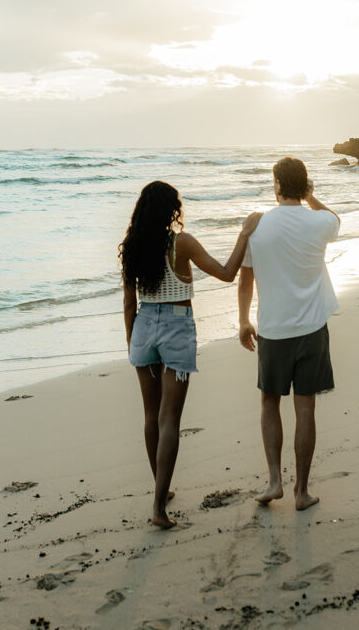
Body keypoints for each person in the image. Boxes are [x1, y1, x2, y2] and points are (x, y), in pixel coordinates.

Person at [120, 180, 261, 529]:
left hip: (142, 329)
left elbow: (128, 302)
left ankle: (161, 490)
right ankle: (158, 508)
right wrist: (244, 234)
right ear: (172, 210)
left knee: (151, 417)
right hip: (176, 328)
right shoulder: (181, 244)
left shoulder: (132, 246)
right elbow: (227, 274)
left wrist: (132, 343)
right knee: (170, 420)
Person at [238, 156, 340, 511]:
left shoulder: (257, 227)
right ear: (305, 185)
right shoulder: (319, 221)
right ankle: (302, 492)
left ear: (277, 185)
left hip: (273, 330)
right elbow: (335, 219)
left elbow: (245, 279)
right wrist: (311, 198)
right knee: (305, 407)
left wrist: (243, 320)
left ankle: (274, 480)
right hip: (312, 329)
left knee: (269, 402)